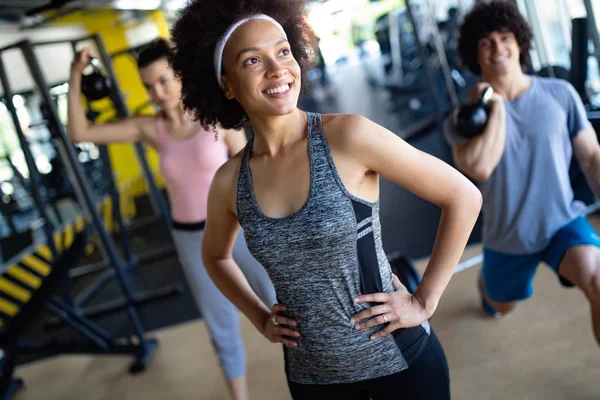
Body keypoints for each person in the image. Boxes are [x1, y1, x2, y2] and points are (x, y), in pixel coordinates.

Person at [169, 0, 482, 398]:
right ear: (226, 84)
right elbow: (214, 256)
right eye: (252, 60)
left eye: (283, 51)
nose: (277, 68)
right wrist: (260, 317)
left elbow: (462, 196)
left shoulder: (348, 137)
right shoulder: (229, 181)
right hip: (311, 379)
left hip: (399, 362)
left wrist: (424, 301)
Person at [67, 38, 277, 400]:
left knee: (282, 305)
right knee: (221, 327)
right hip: (192, 239)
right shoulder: (153, 129)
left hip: (240, 229)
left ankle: (319, 378)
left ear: (180, 74)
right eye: (149, 86)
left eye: (164, 80)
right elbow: (80, 132)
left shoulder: (216, 118)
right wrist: (74, 75)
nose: (157, 93)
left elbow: (254, 173)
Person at [444, 1, 600, 346]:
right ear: (475, 55)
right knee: (502, 305)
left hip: (562, 222)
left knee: (598, 281)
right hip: (508, 237)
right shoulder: (466, 119)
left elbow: (591, 157)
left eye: (504, 37)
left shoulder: (560, 94)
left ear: (519, 41)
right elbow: (479, 166)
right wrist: (496, 105)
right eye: (486, 43)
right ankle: (489, 290)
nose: (498, 48)